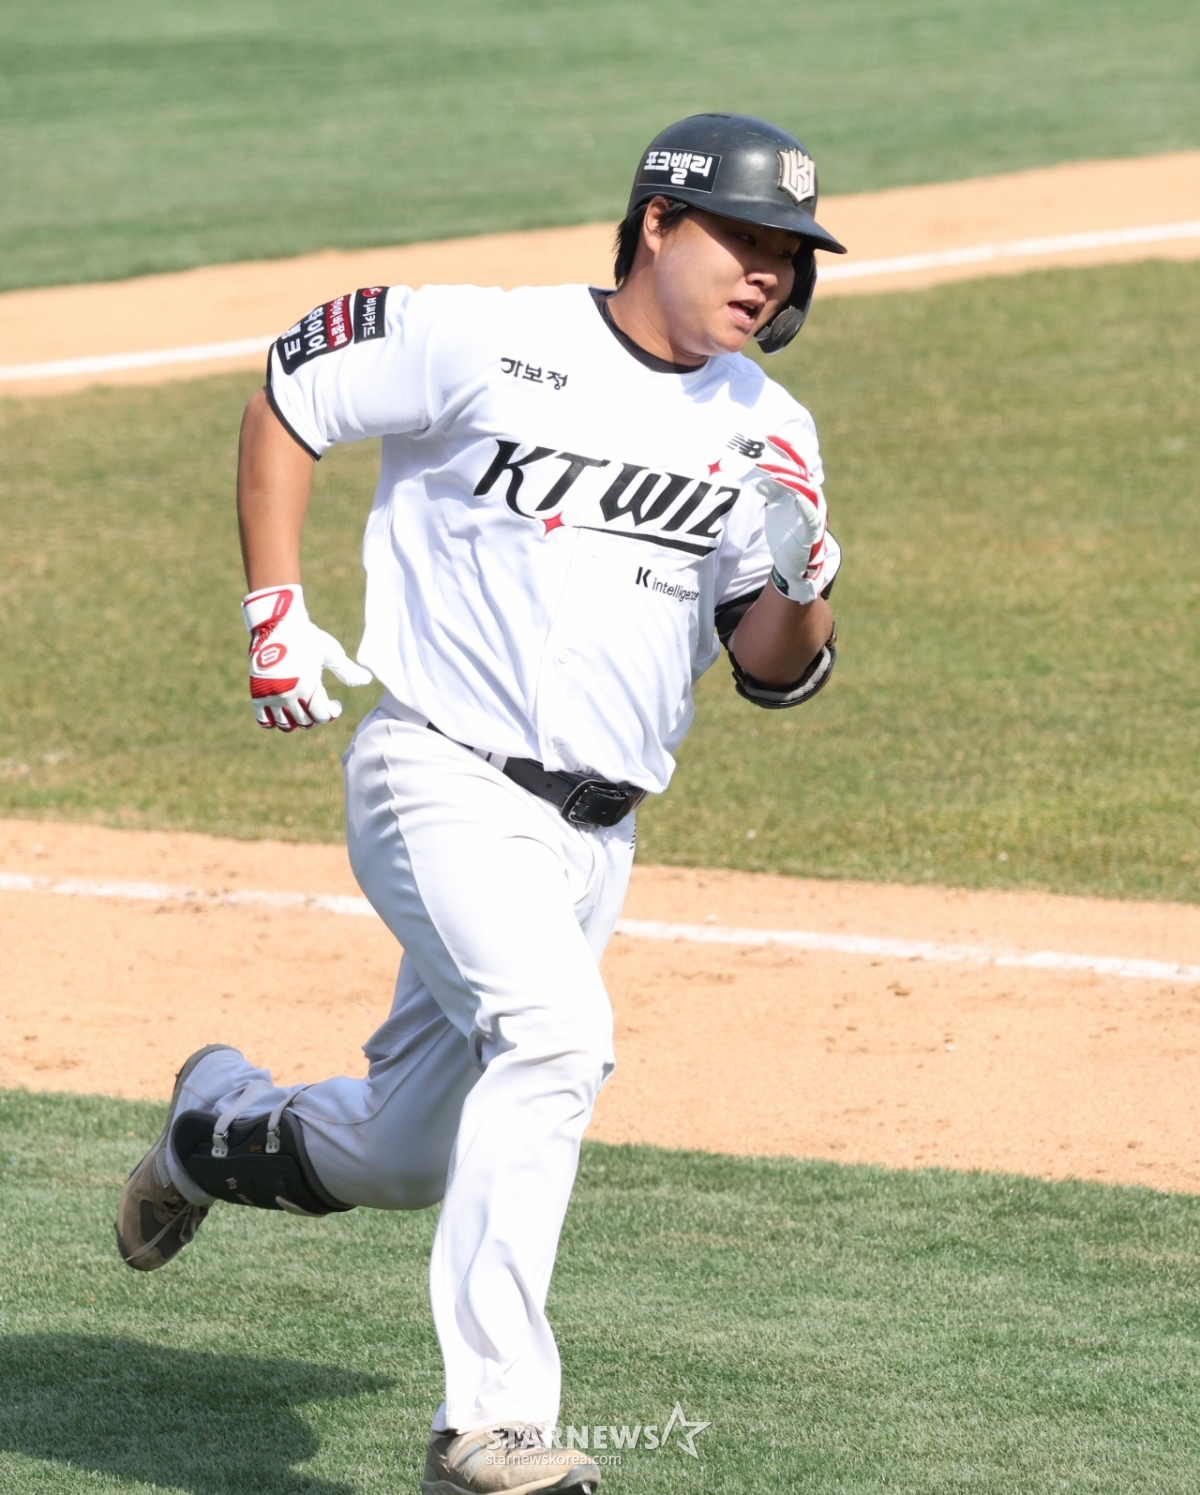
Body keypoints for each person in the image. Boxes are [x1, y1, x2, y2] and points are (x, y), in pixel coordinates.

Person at [115, 112, 846, 1495]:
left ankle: (208, 1132)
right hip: (440, 776)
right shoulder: (488, 338)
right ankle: (490, 1423)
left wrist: (806, 570)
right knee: (559, 1039)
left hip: (595, 840)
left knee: (405, 1153)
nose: (771, 274)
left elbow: (773, 668)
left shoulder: (769, 425)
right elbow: (293, 387)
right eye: (746, 239)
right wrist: (274, 602)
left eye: (791, 254)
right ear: (655, 223)